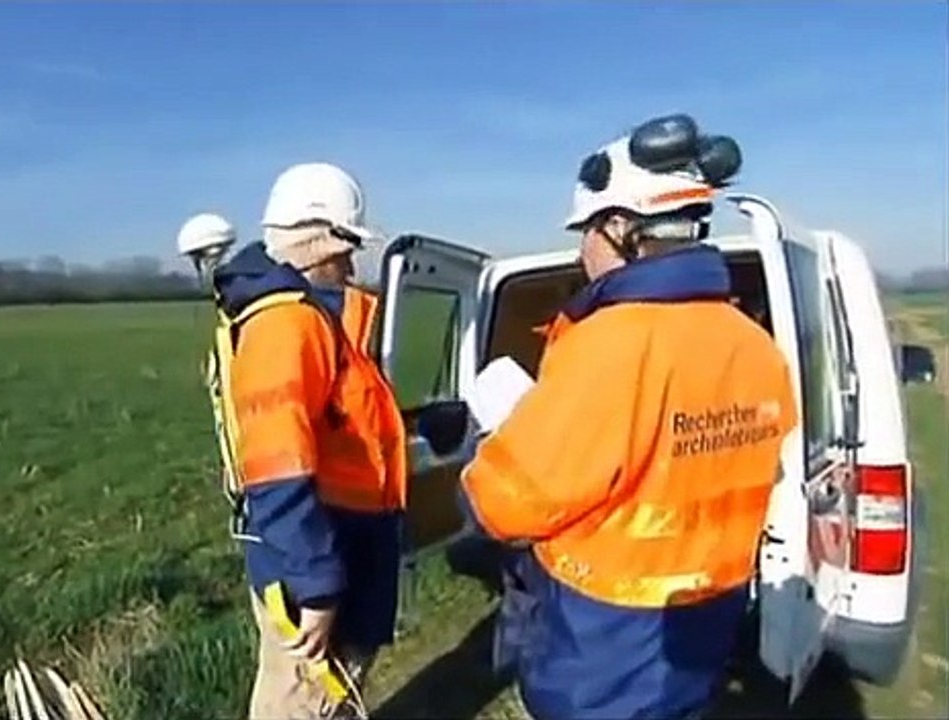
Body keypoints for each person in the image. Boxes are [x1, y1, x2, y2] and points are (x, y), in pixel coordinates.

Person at [456, 114, 799, 720]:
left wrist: (500, 442)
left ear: (619, 228)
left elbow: (509, 504)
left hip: (604, 648)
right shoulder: (755, 345)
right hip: (703, 629)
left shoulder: (610, 343)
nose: (582, 247)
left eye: (585, 229)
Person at [210, 162, 407, 719]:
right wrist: (316, 587)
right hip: (318, 554)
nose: (351, 263)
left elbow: (342, 423)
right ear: (319, 238)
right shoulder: (286, 324)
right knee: (305, 702)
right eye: (347, 247)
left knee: (329, 698)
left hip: (333, 546)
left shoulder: (305, 319)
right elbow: (277, 467)